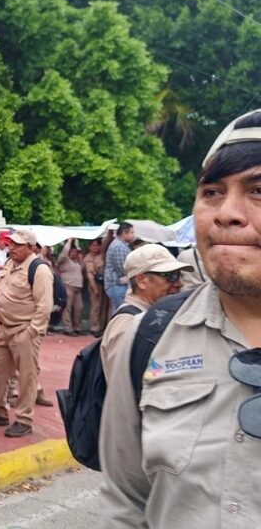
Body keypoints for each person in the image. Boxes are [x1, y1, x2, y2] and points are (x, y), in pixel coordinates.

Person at [99, 109, 261, 527]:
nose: (227, 212)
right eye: (211, 192)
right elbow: (124, 500)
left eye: (258, 190)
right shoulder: (149, 337)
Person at [0, 229, 53, 437]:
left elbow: (44, 306)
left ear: (31, 248)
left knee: (27, 376)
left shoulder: (39, 270)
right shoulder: (10, 264)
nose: (11, 247)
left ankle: (23, 418)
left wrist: (32, 332)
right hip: (3, 328)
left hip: (24, 331)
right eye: (10, 244)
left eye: (17, 245)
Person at [99, 244, 191, 383]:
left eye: (179, 275)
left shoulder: (152, 317)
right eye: (170, 276)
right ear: (142, 280)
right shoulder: (127, 324)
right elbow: (123, 386)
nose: (179, 283)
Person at [103, 222, 134, 313]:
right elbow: (123, 268)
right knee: (120, 312)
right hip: (118, 284)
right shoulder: (119, 246)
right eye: (132, 232)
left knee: (118, 310)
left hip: (117, 285)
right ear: (124, 233)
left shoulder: (120, 245)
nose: (133, 235)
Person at [57, 238, 85, 336]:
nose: (73, 253)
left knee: (79, 307)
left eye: (74, 252)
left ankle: (78, 327)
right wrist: (69, 241)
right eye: (71, 251)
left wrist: (76, 245)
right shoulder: (64, 259)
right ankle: (68, 328)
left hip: (78, 287)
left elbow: (83, 266)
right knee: (67, 308)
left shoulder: (77, 261)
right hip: (68, 286)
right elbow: (64, 253)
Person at [83, 238, 106, 337]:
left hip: (103, 284)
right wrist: (94, 289)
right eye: (94, 245)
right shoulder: (88, 258)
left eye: (97, 245)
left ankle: (102, 326)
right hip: (95, 284)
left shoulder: (101, 255)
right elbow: (90, 275)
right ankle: (94, 327)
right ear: (89, 247)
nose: (96, 247)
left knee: (103, 307)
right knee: (95, 307)